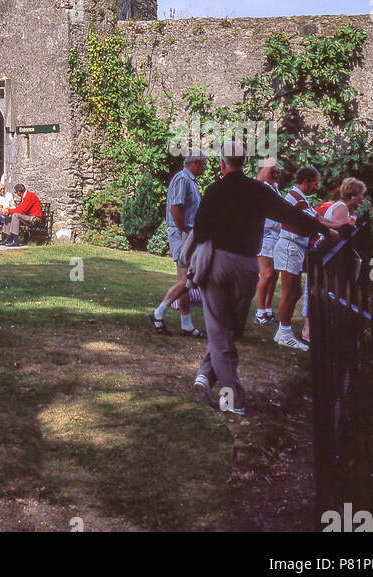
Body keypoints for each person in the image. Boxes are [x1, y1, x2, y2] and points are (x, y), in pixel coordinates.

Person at [189, 144, 352, 416]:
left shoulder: (215, 190)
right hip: (245, 267)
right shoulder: (258, 191)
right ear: (244, 162)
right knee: (228, 330)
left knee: (223, 331)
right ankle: (208, 378)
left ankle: (234, 399)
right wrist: (323, 230)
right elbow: (291, 215)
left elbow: (201, 228)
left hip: (217, 264)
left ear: (221, 163)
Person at [271, 166, 350, 351]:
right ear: (305, 181)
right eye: (315, 183)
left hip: (296, 247)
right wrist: (331, 231)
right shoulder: (295, 199)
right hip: (290, 246)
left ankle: (283, 330)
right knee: (290, 292)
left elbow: (319, 219)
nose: (317, 187)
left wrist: (341, 223)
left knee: (296, 292)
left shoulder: (302, 199)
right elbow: (316, 223)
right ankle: (285, 333)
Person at [148, 149, 207, 338]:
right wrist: (186, 232)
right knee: (186, 280)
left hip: (186, 234)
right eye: (204, 163)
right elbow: (175, 209)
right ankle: (159, 313)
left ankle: (186, 324)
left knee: (185, 280)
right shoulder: (182, 179)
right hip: (182, 234)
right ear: (195, 163)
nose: (206, 168)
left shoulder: (190, 181)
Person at [299, 177, 367, 343]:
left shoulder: (339, 206)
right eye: (361, 195)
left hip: (323, 252)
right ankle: (308, 331)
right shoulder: (342, 208)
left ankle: (309, 330)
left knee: (316, 287)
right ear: (353, 195)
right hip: (325, 253)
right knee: (318, 288)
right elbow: (331, 229)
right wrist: (347, 223)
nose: (362, 200)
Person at [253, 160, 282, 327]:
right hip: (266, 234)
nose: (275, 175)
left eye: (277, 172)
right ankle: (259, 312)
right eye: (272, 172)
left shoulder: (274, 187)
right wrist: (266, 167)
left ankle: (268, 310)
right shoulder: (259, 186)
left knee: (274, 275)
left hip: (276, 234)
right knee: (267, 274)